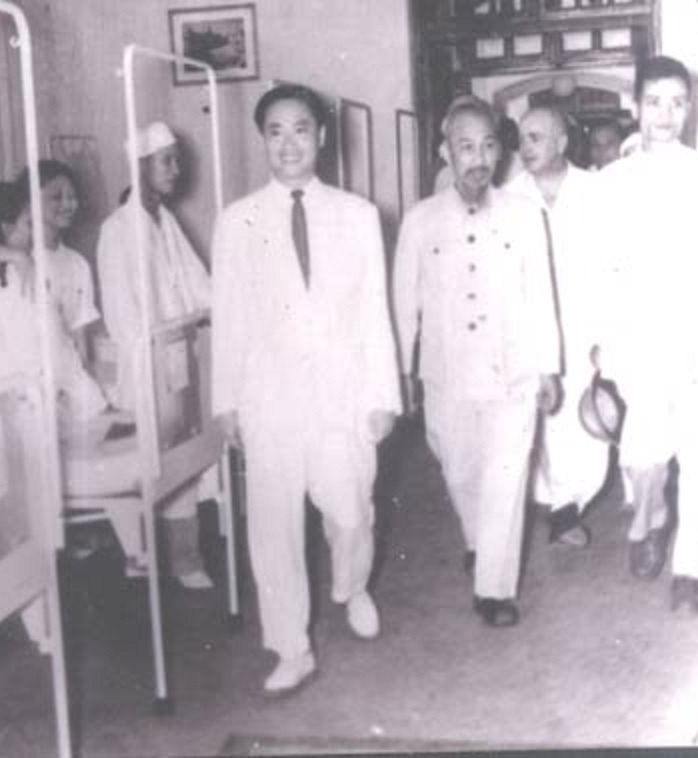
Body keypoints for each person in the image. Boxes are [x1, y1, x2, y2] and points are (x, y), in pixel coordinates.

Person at [211, 84, 400, 694]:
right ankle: (290, 647)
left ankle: (352, 586)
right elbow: (228, 318)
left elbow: (375, 310)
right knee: (273, 529)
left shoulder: (358, 215)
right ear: (263, 140)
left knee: (351, 512)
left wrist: (383, 395)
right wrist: (225, 401)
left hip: (342, 395)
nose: (288, 143)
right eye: (275, 131)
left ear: (321, 136)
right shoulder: (236, 220)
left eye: (300, 129)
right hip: (268, 399)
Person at [394, 95, 562, 629]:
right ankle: (478, 541)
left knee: (506, 478)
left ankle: (495, 588)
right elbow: (404, 303)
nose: (478, 158)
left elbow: (541, 294)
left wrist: (548, 365)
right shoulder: (419, 221)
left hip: (512, 371)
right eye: (465, 146)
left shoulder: (524, 214)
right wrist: (401, 372)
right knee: (460, 471)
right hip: (446, 375)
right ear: (446, 152)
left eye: (488, 145)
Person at [594, 55, 698, 611]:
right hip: (638, 340)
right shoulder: (611, 183)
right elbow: (598, 269)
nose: (665, 115)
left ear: (691, 108)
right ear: (635, 105)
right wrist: (602, 341)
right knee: (644, 457)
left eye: (677, 103)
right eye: (654, 102)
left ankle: (694, 569)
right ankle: (652, 516)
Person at [96, 122, 214, 591]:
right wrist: (154, 352)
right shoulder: (117, 231)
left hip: (180, 356)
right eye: (167, 161)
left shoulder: (166, 221)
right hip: (147, 365)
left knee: (183, 464)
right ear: (141, 166)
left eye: (176, 159)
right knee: (149, 467)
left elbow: (198, 283)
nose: (176, 169)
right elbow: (121, 312)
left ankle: (186, 559)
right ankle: (141, 557)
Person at [507, 105, 610, 548]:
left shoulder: (596, 191)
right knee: (544, 417)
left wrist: (610, 332)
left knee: (586, 419)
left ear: (562, 143)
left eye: (536, 137)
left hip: (586, 323)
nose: (525, 147)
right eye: (521, 138)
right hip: (532, 322)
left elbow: (615, 264)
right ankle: (559, 505)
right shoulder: (508, 196)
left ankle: (571, 498)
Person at [0, 180, 107, 425]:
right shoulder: (29, 274)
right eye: (29, 224)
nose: (36, 233)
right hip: (36, 408)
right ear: (6, 228)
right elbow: (55, 353)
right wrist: (90, 399)